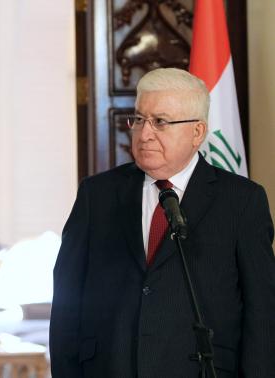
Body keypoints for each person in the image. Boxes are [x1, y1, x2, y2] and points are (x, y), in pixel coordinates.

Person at [50, 68, 275, 377]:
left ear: (197, 132)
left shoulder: (241, 201)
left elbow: (262, 313)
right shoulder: (97, 195)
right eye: (139, 119)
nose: (144, 134)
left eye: (161, 122)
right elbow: (67, 301)